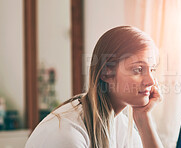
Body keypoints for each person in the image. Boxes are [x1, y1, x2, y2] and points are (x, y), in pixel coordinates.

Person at [25, 26, 164, 148]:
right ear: (106, 73)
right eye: (138, 69)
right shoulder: (68, 135)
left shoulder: (119, 124)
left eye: (152, 69)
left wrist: (143, 117)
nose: (151, 81)